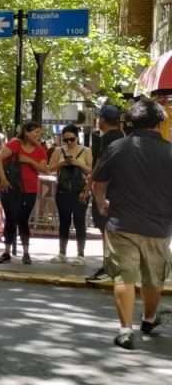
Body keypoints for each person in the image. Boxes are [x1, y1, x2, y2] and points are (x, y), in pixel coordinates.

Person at [92, 99, 172, 350]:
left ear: (130, 123)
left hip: (121, 223)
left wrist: (101, 203)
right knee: (153, 278)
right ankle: (148, 319)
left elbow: (99, 183)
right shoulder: (170, 151)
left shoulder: (117, 147)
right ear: (160, 123)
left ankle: (125, 331)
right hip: (158, 226)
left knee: (123, 277)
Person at [0, 121, 49, 264]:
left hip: (30, 189)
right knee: (10, 218)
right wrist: (4, 179)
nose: (38, 135)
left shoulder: (40, 150)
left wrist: (29, 160)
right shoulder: (15, 144)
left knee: (23, 219)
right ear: (26, 132)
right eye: (36, 132)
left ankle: (26, 252)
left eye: (39, 133)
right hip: (11, 188)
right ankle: (6, 252)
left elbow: (44, 169)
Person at [87, 105, 125, 283]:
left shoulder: (107, 140)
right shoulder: (123, 137)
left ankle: (108, 266)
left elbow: (100, 166)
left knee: (106, 229)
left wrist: (88, 186)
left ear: (102, 120)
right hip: (118, 188)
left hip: (107, 189)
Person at [47, 124, 92, 265]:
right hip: (63, 191)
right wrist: (62, 163)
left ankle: (81, 254)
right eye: (65, 140)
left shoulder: (86, 151)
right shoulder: (58, 151)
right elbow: (49, 168)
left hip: (80, 192)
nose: (69, 143)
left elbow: (90, 170)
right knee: (64, 222)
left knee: (80, 222)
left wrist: (77, 162)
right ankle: (62, 253)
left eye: (71, 139)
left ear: (77, 138)